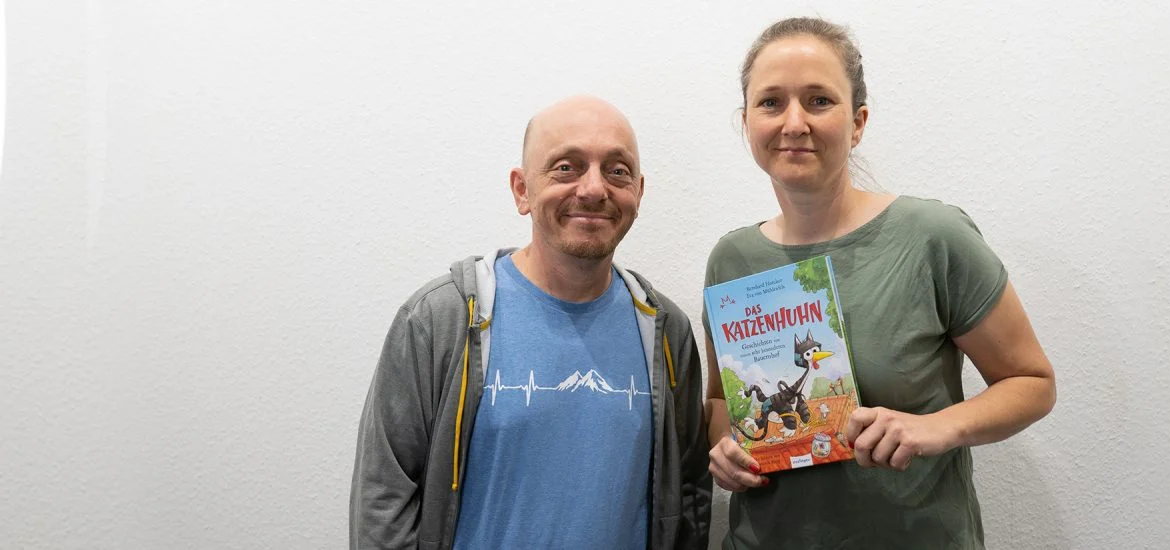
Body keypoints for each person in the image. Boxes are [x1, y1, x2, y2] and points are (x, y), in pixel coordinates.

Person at [703, 17, 1057, 548]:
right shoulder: (732, 260)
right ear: (747, 121)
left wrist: (936, 428)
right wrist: (725, 450)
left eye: (819, 100)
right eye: (771, 102)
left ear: (858, 122)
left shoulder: (932, 237)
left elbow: (1032, 382)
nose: (794, 122)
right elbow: (718, 402)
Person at [351, 96, 710, 549]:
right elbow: (383, 499)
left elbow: (690, 493)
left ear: (638, 192)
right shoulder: (437, 321)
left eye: (616, 171)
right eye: (566, 167)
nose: (594, 189)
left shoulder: (665, 331)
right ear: (522, 190)